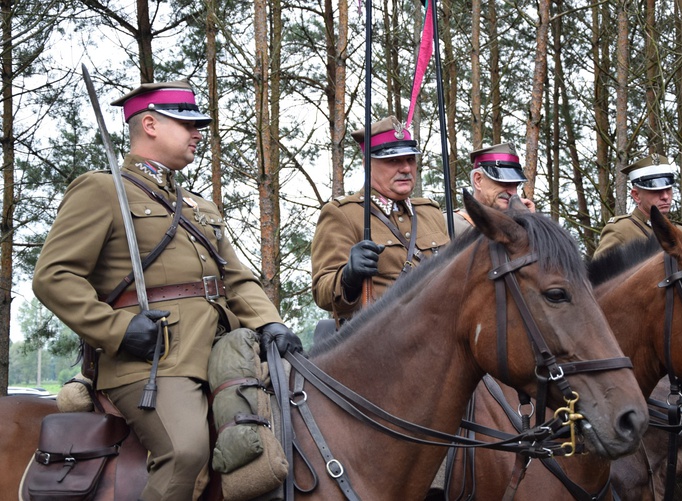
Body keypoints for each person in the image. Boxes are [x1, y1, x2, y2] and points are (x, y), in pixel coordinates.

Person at [32, 80, 301, 501]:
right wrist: (118, 330)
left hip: (222, 349)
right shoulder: (103, 190)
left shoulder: (199, 207)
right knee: (185, 450)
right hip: (153, 360)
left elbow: (235, 278)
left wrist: (271, 322)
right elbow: (54, 277)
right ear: (151, 124)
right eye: (187, 123)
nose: (198, 133)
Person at [311, 116, 450, 322]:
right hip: (379, 338)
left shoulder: (430, 211)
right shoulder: (343, 214)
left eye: (410, 160)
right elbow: (322, 292)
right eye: (393, 160)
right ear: (367, 164)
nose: (405, 169)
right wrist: (348, 277)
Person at [593, 154, 682, 259]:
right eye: (656, 191)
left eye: (668, 189)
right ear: (636, 196)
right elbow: (598, 274)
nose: (665, 196)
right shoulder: (621, 231)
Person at [451, 142, 535, 235]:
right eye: (505, 182)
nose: (513, 193)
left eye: (516, 185)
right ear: (478, 180)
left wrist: (530, 222)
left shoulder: (517, 226)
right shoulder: (450, 225)